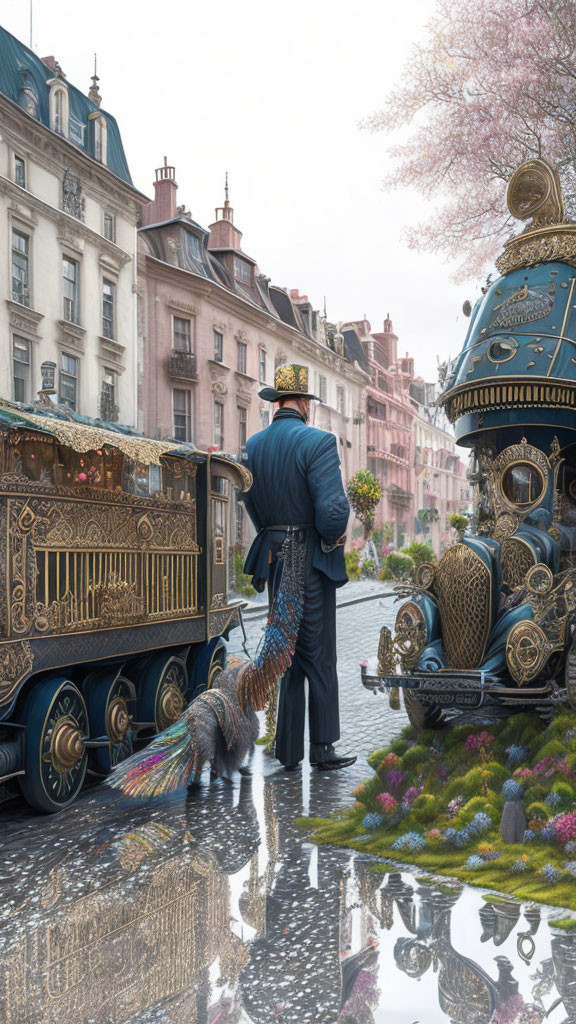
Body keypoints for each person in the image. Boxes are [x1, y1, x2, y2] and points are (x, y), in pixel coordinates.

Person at [242, 363, 356, 771]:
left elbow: (252, 505)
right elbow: (331, 512)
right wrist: (332, 537)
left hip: (277, 557)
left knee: (285, 651)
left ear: (278, 402)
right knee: (319, 654)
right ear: (305, 402)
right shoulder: (318, 442)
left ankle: (288, 750)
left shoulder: (252, 448)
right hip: (308, 558)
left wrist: (275, 537)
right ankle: (323, 748)